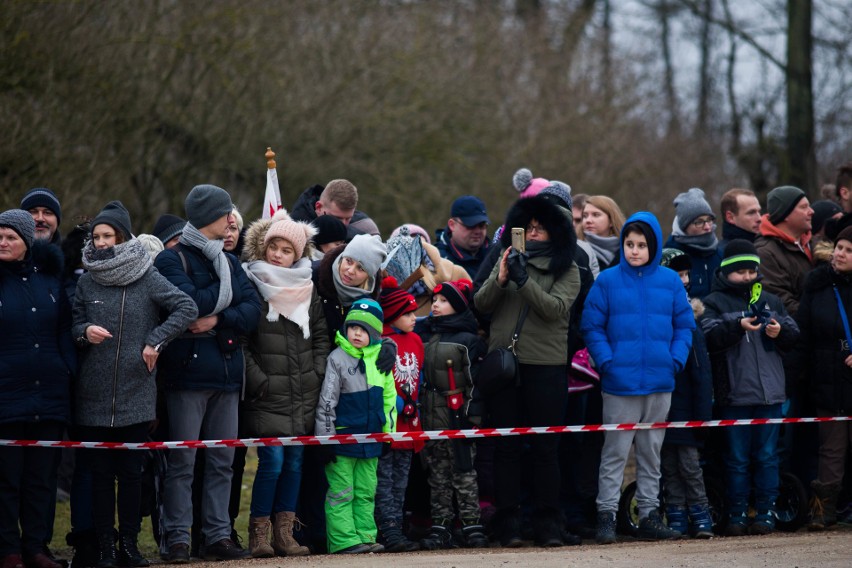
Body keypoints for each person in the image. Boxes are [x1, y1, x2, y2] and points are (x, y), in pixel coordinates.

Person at [72, 201, 197, 568]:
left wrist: (154, 341)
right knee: (99, 477)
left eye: (107, 235)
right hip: (93, 395)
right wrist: (84, 332)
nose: (101, 242)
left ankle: (129, 544)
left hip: (136, 393)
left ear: (122, 237)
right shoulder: (85, 278)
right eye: (96, 236)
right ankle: (105, 547)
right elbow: (74, 324)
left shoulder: (147, 275)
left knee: (130, 476)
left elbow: (185, 308)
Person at [153, 184, 261, 563]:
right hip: (186, 375)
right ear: (209, 217)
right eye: (226, 212)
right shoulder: (171, 259)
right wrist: (218, 305)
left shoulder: (230, 262)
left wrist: (218, 317)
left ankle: (217, 536)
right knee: (181, 463)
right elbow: (187, 304)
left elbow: (252, 310)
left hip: (228, 375)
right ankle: (177, 538)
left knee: (223, 462)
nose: (232, 219)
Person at [581, 212, 694, 544]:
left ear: (654, 246)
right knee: (614, 454)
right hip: (619, 384)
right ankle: (607, 516)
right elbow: (591, 326)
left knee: (651, 454)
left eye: (641, 245)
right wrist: (606, 362)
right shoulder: (607, 281)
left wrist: (675, 360)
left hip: (660, 382)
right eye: (629, 244)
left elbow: (685, 325)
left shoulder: (671, 282)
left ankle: (648, 515)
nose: (634, 250)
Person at [475, 194, 581, 547]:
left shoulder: (568, 269)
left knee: (545, 448)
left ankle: (548, 523)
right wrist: (502, 277)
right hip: (505, 365)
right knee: (506, 447)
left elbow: (554, 309)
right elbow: (482, 303)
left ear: (556, 233)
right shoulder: (506, 257)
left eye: (541, 229)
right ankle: (508, 524)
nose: (534, 234)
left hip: (546, 367)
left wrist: (524, 281)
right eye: (529, 227)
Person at [239, 210, 329, 558]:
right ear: (263, 248)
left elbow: (321, 335)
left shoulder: (308, 288)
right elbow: (242, 342)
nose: (278, 254)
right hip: (268, 394)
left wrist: (316, 371)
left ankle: (285, 534)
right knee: (272, 463)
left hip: (302, 392)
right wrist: (258, 380)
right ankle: (259, 534)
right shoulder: (253, 286)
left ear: (298, 254)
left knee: (294, 464)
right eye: (272, 247)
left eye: (286, 249)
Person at [701, 239, 799, 535]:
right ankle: (738, 511)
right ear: (725, 272)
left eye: (751, 270)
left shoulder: (771, 300)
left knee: (767, 455)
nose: (747, 276)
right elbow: (709, 336)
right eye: (740, 271)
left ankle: (767, 510)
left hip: (770, 394)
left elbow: (794, 333)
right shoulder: (714, 302)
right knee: (737, 458)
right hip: (734, 395)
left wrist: (779, 331)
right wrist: (737, 326)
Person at [0, 210, 76, 568]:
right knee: (6, 481)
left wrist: (66, 369)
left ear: (28, 242)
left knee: (41, 480)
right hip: (6, 396)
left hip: (48, 394)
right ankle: (8, 550)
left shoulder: (50, 280)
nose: (3, 242)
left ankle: (37, 548)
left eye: (11, 236)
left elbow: (63, 331)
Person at [314, 299, 397, 554]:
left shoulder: (380, 360)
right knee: (341, 491)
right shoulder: (337, 358)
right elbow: (327, 402)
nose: (357, 333)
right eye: (353, 327)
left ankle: (365, 536)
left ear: (374, 333)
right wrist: (326, 440)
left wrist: (388, 436)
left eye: (363, 329)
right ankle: (343, 540)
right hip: (342, 441)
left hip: (371, 441)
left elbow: (389, 400)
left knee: (366, 491)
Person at [416, 279, 488, 550]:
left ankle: (471, 524)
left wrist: (472, 417)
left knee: (464, 471)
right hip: (431, 417)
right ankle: (441, 526)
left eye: (443, 300)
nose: (435, 304)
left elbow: (475, 383)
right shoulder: (427, 334)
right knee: (437, 474)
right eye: (434, 299)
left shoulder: (468, 340)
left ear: (457, 306)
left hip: (459, 416)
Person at [794, 226, 852, 530]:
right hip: (828, 379)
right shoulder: (817, 286)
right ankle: (825, 509)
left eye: (849, 250)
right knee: (831, 447)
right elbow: (803, 335)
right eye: (839, 247)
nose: (840, 254)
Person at [657, 249, 714, 538]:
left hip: (688, 413)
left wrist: (703, 416)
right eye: (676, 273)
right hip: (662, 412)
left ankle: (701, 514)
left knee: (691, 466)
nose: (682, 280)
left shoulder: (692, 326)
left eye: (685, 274)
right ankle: (676, 514)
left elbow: (701, 376)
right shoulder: (655, 320)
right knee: (668, 468)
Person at [375, 277, 424, 552]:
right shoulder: (381, 342)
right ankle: (387, 528)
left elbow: (419, 376)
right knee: (384, 478)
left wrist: (413, 404)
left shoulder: (416, 340)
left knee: (401, 478)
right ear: (393, 314)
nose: (414, 317)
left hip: (410, 422)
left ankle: (398, 524)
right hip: (388, 423)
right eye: (407, 313)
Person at [754, 185, 814, 316]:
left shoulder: (814, 243)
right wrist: (820, 318)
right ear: (786, 214)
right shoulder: (765, 253)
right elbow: (781, 302)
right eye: (804, 207)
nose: (811, 211)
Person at [664, 187, 723, 299]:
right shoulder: (669, 258)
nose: (707, 227)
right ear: (684, 226)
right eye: (699, 222)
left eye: (709, 220)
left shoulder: (720, 254)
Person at [435, 195, 491, 277]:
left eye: (482, 225)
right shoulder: (437, 260)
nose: (477, 231)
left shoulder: (496, 256)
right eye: (470, 225)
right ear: (452, 225)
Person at [577, 195, 626, 270]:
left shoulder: (628, 251)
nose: (588, 220)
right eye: (585, 216)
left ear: (611, 220)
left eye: (596, 215)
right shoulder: (576, 250)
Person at [290, 180, 359, 227]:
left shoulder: (363, 226)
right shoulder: (294, 233)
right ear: (319, 207)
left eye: (348, 218)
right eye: (337, 219)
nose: (344, 225)